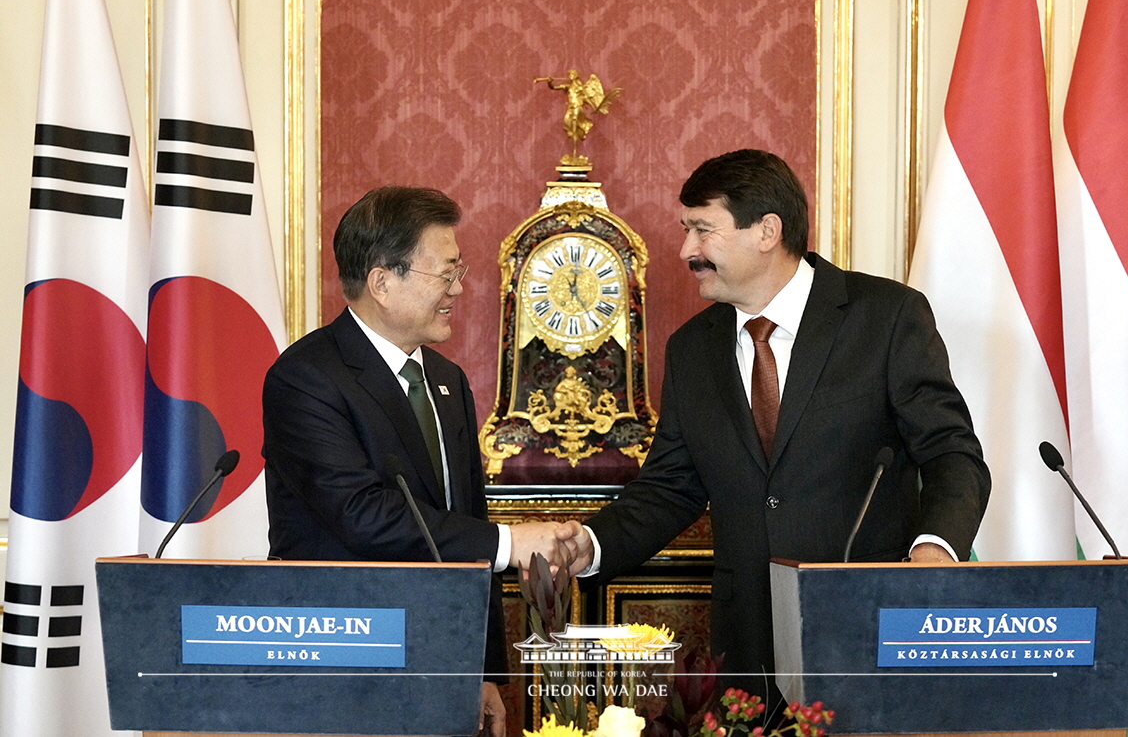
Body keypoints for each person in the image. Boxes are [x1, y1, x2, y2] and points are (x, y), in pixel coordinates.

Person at [555, 149, 990, 706]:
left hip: (872, 628)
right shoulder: (692, 348)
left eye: (701, 230)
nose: (686, 250)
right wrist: (588, 545)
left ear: (767, 231)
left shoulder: (886, 317)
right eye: (686, 230)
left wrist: (934, 552)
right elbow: (670, 487)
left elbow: (952, 455)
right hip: (749, 649)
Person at [263, 186, 572, 737]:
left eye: (460, 269)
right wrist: (510, 543)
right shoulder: (306, 378)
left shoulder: (446, 382)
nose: (459, 288)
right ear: (383, 281)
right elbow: (362, 515)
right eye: (446, 273)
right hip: (341, 664)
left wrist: (485, 673)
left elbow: (466, 520)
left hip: (441, 667)